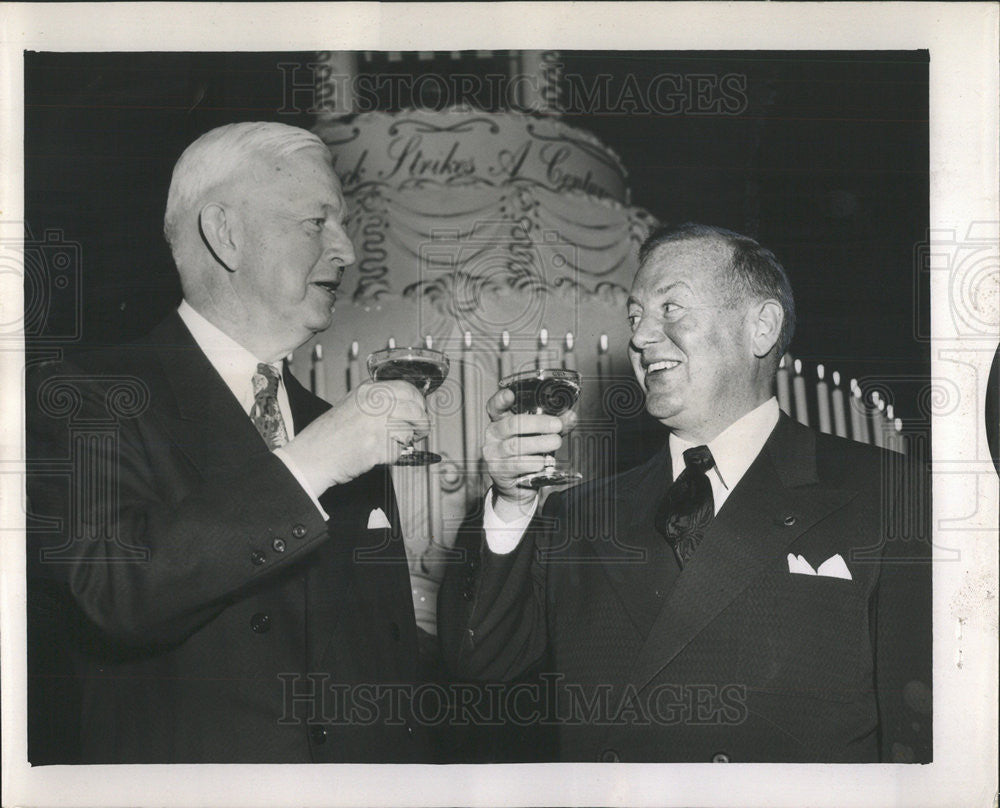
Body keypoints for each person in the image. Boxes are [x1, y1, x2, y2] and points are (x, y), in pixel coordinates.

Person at [439, 223, 932, 763]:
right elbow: (480, 660)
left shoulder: (889, 491)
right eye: (635, 316)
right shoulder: (577, 514)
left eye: (670, 308)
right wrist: (511, 503)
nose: (641, 337)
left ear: (761, 328)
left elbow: (919, 733)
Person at [26, 122, 434, 763]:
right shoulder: (86, 394)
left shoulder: (334, 423)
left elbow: (388, 662)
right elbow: (115, 591)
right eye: (317, 222)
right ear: (225, 234)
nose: (348, 250)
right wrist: (313, 463)